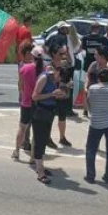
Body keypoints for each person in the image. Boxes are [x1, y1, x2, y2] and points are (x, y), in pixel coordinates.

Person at [30, 48, 69, 185]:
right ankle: (40, 172)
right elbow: (35, 96)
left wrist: (60, 94)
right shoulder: (44, 77)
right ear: (55, 72)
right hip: (40, 111)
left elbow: (56, 94)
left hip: (49, 112)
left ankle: (40, 165)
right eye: (59, 76)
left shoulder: (54, 80)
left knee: (44, 140)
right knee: (39, 141)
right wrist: (52, 94)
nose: (59, 79)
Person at [12, 42, 41, 160]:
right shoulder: (42, 69)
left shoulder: (23, 68)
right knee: (36, 130)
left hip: (26, 101)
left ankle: (17, 151)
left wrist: (23, 95)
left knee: (22, 127)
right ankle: (33, 156)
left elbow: (20, 84)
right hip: (37, 102)